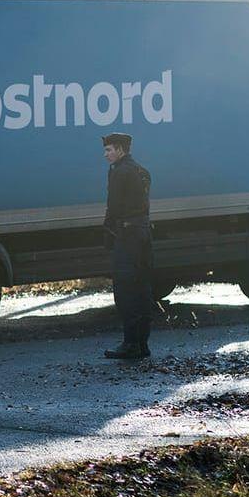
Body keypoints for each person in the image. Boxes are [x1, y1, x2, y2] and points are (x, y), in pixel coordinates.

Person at [102, 133, 153, 360]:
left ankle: (129, 343)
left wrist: (107, 230)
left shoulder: (118, 172)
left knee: (125, 290)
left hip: (127, 235)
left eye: (109, 150)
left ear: (121, 150)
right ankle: (142, 343)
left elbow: (113, 207)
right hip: (144, 233)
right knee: (143, 287)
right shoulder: (142, 171)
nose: (106, 155)